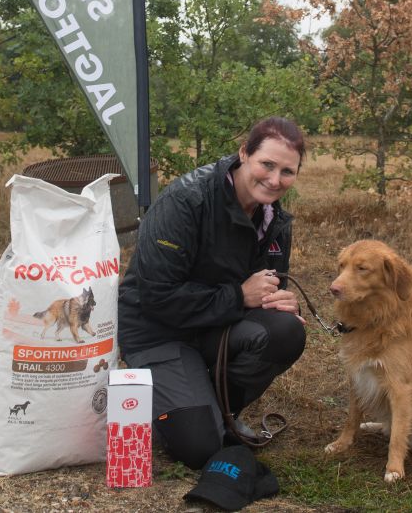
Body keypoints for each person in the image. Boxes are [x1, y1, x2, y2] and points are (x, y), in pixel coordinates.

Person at [118, 117, 307, 469]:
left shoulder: (275, 220)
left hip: (214, 326)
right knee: (201, 448)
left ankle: (218, 410)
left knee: (286, 331)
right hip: (157, 332)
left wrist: (278, 300)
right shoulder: (186, 201)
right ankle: (179, 406)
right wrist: (239, 296)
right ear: (243, 154)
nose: (275, 179)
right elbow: (157, 297)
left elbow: (267, 288)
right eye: (266, 164)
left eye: (287, 171)